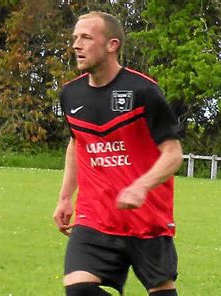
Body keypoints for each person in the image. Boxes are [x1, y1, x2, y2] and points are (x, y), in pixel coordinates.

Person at [53, 11, 183, 296]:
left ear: (112, 45)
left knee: (162, 291)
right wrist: (65, 197)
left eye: (86, 37)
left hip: (146, 217)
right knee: (79, 289)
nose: (76, 44)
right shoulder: (70, 94)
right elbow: (78, 143)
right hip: (95, 216)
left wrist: (140, 187)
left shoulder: (144, 91)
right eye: (75, 37)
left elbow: (173, 154)